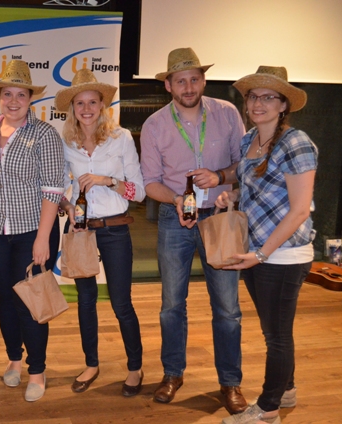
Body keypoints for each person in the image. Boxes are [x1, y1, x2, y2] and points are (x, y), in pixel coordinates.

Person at [140, 47, 248, 413]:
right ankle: (172, 374)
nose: (188, 87)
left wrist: (219, 177)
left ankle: (230, 383)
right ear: (168, 85)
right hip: (175, 219)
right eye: (180, 81)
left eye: (194, 79)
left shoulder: (227, 113)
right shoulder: (154, 125)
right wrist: (176, 200)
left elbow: (244, 165)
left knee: (228, 307)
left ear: (203, 81)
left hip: (220, 216)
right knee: (172, 304)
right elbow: (150, 183)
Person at [217, 66, 316, 424]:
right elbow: (256, 188)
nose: (258, 103)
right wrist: (232, 195)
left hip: (283, 254)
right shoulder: (249, 140)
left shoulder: (296, 143)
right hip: (256, 251)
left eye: (268, 97)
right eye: (253, 96)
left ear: (284, 104)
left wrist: (262, 254)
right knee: (274, 331)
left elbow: (299, 209)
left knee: (276, 337)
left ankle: (268, 409)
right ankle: (286, 389)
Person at [0, 59, 64, 402]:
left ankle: (37, 370)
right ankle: (14, 358)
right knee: (6, 298)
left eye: (21, 95)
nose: (13, 101)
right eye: (7, 94)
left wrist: (43, 238)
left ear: (31, 98)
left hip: (32, 231)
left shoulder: (44, 134)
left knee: (30, 302)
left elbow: (52, 189)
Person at [55, 69, 146, 396]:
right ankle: (91, 364)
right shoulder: (65, 142)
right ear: (72, 108)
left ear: (102, 104)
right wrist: (67, 205)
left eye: (92, 102)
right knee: (85, 301)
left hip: (115, 228)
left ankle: (135, 368)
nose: (86, 108)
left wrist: (107, 180)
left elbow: (139, 192)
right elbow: (59, 188)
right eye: (80, 103)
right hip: (80, 229)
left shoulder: (121, 138)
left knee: (121, 303)